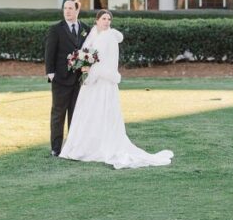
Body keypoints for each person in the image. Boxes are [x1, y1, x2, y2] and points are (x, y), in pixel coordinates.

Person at [59, 10, 174, 169]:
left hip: (104, 81)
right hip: (91, 83)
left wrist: (93, 71)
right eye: (104, 18)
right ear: (97, 20)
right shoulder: (93, 34)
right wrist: (82, 65)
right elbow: (86, 53)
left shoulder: (110, 37)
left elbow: (108, 62)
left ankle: (103, 146)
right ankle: (85, 146)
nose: (107, 21)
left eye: (109, 19)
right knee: (89, 113)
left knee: (104, 112)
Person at [44, 0, 89, 156]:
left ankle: (72, 147)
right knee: (58, 114)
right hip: (61, 79)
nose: (67, 11)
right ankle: (56, 148)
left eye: (70, 8)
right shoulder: (56, 29)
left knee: (76, 114)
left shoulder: (86, 29)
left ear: (77, 10)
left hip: (79, 80)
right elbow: (49, 52)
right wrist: (51, 74)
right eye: (65, 8)